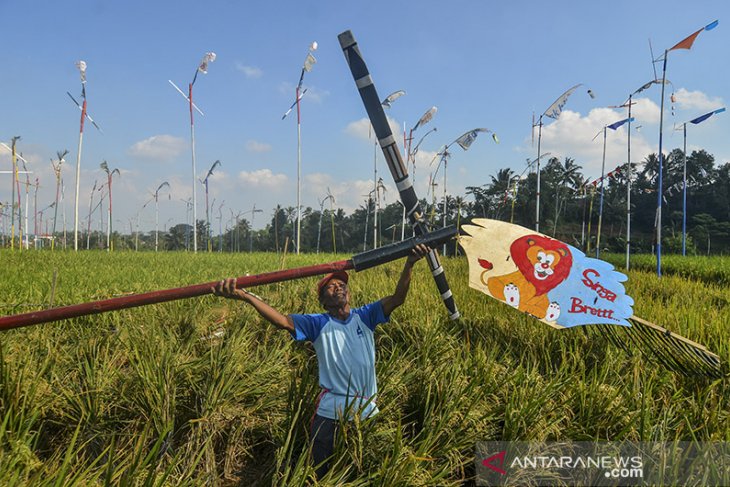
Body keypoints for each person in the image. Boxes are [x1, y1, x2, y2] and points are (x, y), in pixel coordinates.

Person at [212, 244, 430, 477]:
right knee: (323, 475)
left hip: (366, 412)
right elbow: (282, 321)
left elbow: (398, 298)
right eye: (331, 286)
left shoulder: (366, 316)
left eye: (341, 284)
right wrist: (245, 296)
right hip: (331, 414)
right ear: (322, 301)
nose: (338, 286)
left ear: (349, 293)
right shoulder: (317, 323)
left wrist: (410, 263)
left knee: (366, 473)